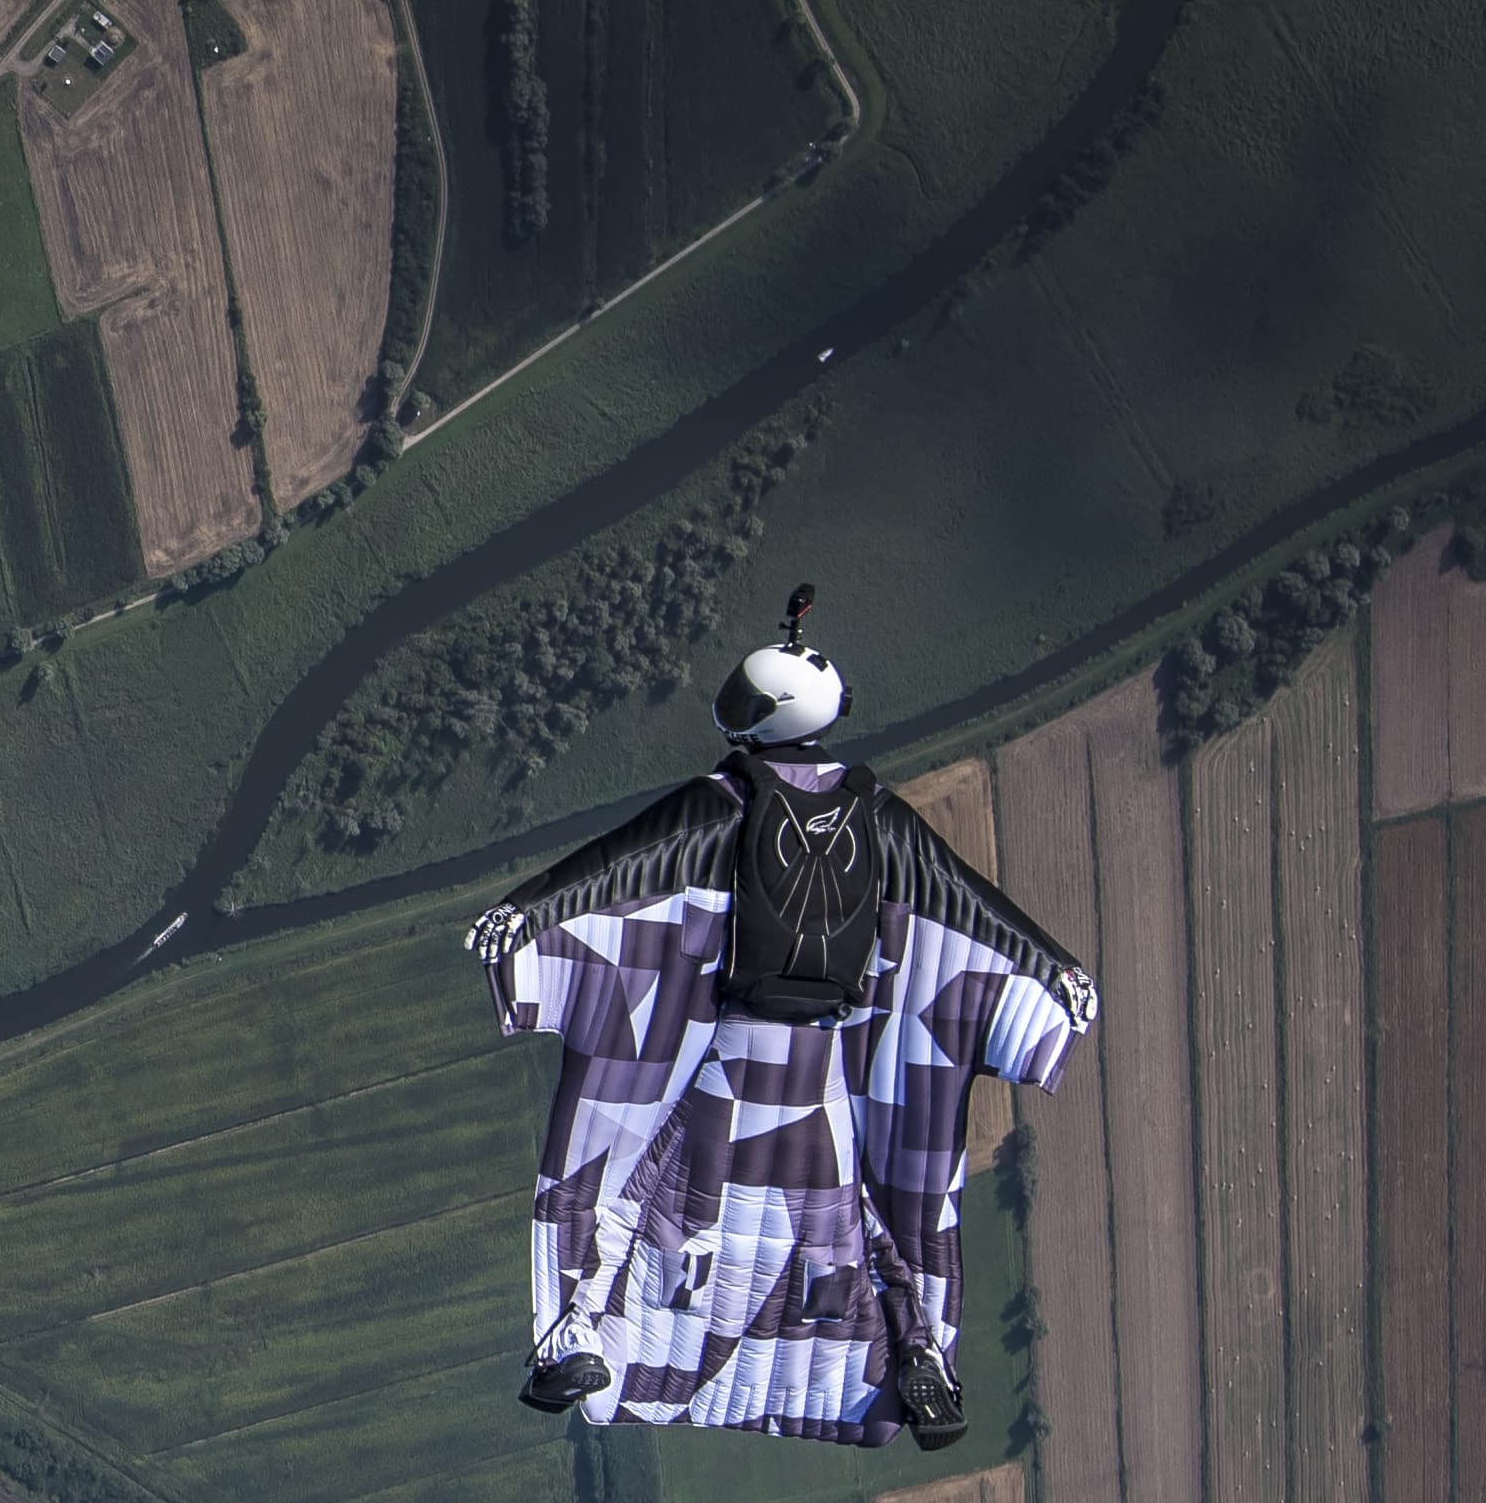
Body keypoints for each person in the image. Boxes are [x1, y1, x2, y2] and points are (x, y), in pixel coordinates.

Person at [468, 590, 1098, 1446]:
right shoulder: (878, 816)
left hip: (730, 1059)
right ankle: (920, 1359)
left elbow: (624, 864)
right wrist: (1048, 969)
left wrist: (528, 912)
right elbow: (964, 904)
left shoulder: (726, 802)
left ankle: (571, 1338)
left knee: (625, 1195)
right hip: (825, 1070)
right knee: (865, 1219)